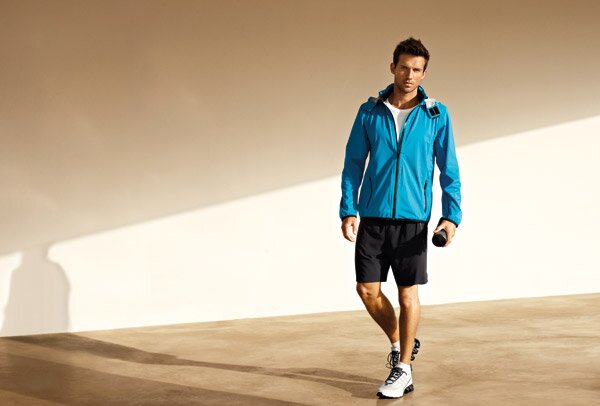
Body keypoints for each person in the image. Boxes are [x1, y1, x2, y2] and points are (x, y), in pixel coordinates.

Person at [339, 37, 462, 399]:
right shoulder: (370, 111)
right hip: (373, 215)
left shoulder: (436, 114)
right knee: (367, 290)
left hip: (413, 219)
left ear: (424, 73)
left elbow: (449, 169)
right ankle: (399, 342)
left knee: (408, 294)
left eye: (417, 70)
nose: (410, 75)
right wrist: (348, 209)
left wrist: (451, 216)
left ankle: (404, 369)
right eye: (404, 68)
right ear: (392, 68)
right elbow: (352, 163)